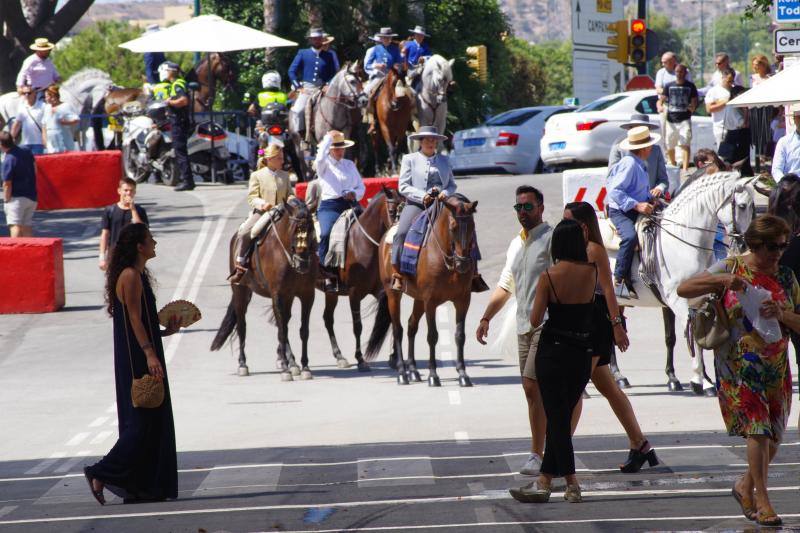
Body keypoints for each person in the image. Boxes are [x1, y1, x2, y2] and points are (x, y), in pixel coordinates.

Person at [677, 214, 798, 527]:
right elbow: (684, 288)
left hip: (776, 365)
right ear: (754, 244)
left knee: (773, 438)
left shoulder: (786, 277)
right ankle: (763, 500)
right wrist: (721, 281)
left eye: (782, 246)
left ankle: (744, 485)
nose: (777, 253)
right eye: (771, 247)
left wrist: (782, 314)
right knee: (757, 431)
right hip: (738, 366)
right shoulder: (732, 267)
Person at [84, 223, 181, 505]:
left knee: (150, 422)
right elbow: (134, 321)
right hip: (137, 356)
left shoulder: (138, 274)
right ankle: (100, 472)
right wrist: (150, 354)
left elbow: (142, 322)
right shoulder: (130, 276)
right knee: (142, 422)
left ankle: (142, 486)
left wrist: (165, 332)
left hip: (142, 350)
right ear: (139, 246)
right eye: (150, 239)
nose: (155, 242)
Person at [563, 202, 660, 473]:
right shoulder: (570, 249)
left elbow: (608, 290)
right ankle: (640, 444)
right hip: (579, 320)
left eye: (568, 222)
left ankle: (559, 451)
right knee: (608, 388)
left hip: (595, 322)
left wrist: (618, 326)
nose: (563, 227)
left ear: (583, 226)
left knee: (574, 386)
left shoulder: (593, 250)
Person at [509, 219, 596, 504]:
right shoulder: (591, 272)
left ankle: (572, 483)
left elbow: (535, 320)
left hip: (553, 351)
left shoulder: (549, 275)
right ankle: (544, 481)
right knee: (561, 418)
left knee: (557, 422)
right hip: (581, 353)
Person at [476, 185, 552, 476]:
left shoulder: (551, 239)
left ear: (541, 207)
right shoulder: (516, 244)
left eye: (528, 206)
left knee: (534, 386)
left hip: (547, 324)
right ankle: (539, 452)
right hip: (523, 326)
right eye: (518, 207)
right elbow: (505, 286)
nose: (522, 212)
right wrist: (486, 318)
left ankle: (541, 452)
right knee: (532, 391)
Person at [392, 126, 456, 290]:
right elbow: (403, 186)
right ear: (420, 142)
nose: (431, 142)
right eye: (427, 139)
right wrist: (422, 196)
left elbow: (451, 185)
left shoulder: (445, 160)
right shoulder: (409, 159)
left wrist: (444, 193)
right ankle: (397, 273)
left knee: (463, 224)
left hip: (441, 203)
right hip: (417, 204)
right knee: (401, 232)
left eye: (434, 140)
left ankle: (473, 273)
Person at [606, 126, 662, 299]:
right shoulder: (629, 164)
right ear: (645, 148)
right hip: (621, 211)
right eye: (650, 146)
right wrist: (637, 206)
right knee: (630, 237)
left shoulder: (638, 163)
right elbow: (615, 191)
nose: (651, 149)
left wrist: (650, 199)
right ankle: (619, 279)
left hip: (633, 207)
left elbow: (635, 190)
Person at [229, 143, 292, 284]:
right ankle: (240, 264)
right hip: (263, 212)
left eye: (282, 158)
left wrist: (292, 199)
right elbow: (252, 197)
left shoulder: (285, 175)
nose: (283, 161)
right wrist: (262, 204)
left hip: (282, 211)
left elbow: (290, 194)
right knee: (245, 232)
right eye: (280, 158)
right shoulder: (257, 175)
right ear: (270, 159)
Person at [315, 130, 364, 292]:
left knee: (371, 229)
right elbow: (320, 156)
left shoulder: (349, 164)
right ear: (329, 148)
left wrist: (354, 193)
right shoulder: (323, 164)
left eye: (342, 148)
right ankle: (326, 272)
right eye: (336, 148)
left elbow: (360, 186)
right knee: (326, 233)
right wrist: (328, 138)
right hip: (330, 205)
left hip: (350, 202)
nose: (340, 151)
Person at [287, 28, 340, 137]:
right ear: (310, 40)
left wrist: (328, 84)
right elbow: (291, 71)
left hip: (323, 88)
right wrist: (298, 87)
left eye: (319, 39)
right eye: (314, 39)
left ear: (322, 40)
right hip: (307, 88)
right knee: (298, 110)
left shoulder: (328, 56)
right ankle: (301, 136)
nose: (317, 41)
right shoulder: (303, 53)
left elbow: (334, 74)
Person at [608, 114, 671, 194]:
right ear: (630, 130)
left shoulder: (655, 150)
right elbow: (611, 179)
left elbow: (663, 179)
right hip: (627, 201)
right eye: (637, 128)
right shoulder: (618, 149)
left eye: (643, 129)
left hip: (651, 199)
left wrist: (659, 189)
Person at [99, 178, 150, 271]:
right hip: (115, 254)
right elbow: (105, 234)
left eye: (131, 190)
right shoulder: (110, 210)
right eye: (125, 190)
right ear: (119, 191)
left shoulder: (139, 211)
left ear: (135, 192)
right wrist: (102, 257)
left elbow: (142, 231)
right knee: (115, 283)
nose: (128, 193)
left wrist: (133, 209)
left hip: (134, 255)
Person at [658, 64, 698, 172]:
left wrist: (692, 107)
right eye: (677, 72)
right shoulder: (668, 85)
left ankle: (685, 169)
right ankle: (674, 164)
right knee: (670, 144)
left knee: (685, 143)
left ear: (685, 73)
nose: (678, 74)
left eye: (681, 72)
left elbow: (694, 100)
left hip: (685, 119)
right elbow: (661, 100)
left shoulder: (690, 86)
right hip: (671, 119)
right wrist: (660, 107)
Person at [364, 27, 404, 134]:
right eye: (384, 38)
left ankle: (409, 119)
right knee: (368, 93)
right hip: (379, 76)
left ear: (391, 38)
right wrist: (376, 65)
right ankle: (371, 121)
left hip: (392, 77)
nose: (386, 39)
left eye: (388, 38)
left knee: (409, 93)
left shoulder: (395, 49)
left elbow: (400, 63)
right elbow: (367, 66)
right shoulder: (375, 49)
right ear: (381, 38)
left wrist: (397, 66)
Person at [161, 62, 194, 191]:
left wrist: (170, 102)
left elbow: (183, 100)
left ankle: (187, 181)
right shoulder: (176, 84)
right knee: (180, 151)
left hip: (178, 121)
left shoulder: (177, 84)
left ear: (170, 71)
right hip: (179, 120)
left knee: (180, 152)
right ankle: (187, 179)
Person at [1, 132, 37, 238]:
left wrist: (6, 200)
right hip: (31, 195)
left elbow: (7, 183)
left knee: (14, 225)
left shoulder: (8, 159)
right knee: (27, 226)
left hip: (16, 198)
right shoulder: (26, 150)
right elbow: (35, 167)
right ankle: (30, 252)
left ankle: (16, 252)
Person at [716, 69, 752, 176]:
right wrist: (746, 111)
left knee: (731, 160)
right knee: (741, 161)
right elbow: (744, 124)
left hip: (731, 135)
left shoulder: (729, 105)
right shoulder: (734, 107)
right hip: (738, 136)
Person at [42, 85, 78, 153]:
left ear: (53, 96)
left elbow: (76, 120)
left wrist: (66, 123)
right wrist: (44, 139)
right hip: (51, 141)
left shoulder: (65, 106)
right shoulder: (47, 108)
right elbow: (44, 124)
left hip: (63, 139)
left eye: (47, 97)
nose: (45, 99)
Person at [11, 85, 46, 155]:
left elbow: (45, 125)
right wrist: (11, 138)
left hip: (38, 143)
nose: (26, 95)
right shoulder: (22, 106)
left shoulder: (43, 106)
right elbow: (17, 123)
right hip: (25, 143)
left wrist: (45, 141)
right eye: (24, 93)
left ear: (35, 93)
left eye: (29, 93)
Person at [705, 67, 733, 148]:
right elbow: (709, 109)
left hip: (735, 128)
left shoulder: (734, 89)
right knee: (724, 155)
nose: (731, 83)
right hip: (721, 129)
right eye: (728, 81)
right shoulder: (714, 91)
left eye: (732, 81)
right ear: (723, 78)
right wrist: (725, 102)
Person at [772, 104, 800, 180]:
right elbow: (776, 169)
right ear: (794, 119)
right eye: (799, 117)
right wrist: (785, 185)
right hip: (791, 187)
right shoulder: (784, 142)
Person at [403, 25, 432, 91]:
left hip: (421, 67)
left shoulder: (425, 46)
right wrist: (403, 53)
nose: (420, 37)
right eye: (418, 35)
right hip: (410, 67)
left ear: (424, 37)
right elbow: (402, 54)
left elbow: (430, 57)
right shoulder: (409, 44)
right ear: (415, 35)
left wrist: (424, 58)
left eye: (422, 35)